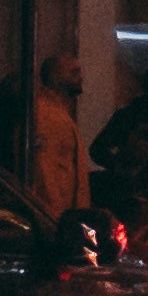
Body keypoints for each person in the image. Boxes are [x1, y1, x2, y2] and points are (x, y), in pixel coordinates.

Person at [21, 46, 90, 221]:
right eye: (74, 72)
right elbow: (44, 172)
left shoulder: (57, 113)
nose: (81, 77)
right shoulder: (47, 115)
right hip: (56, 216)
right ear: (55, 77)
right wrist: (54, 218)